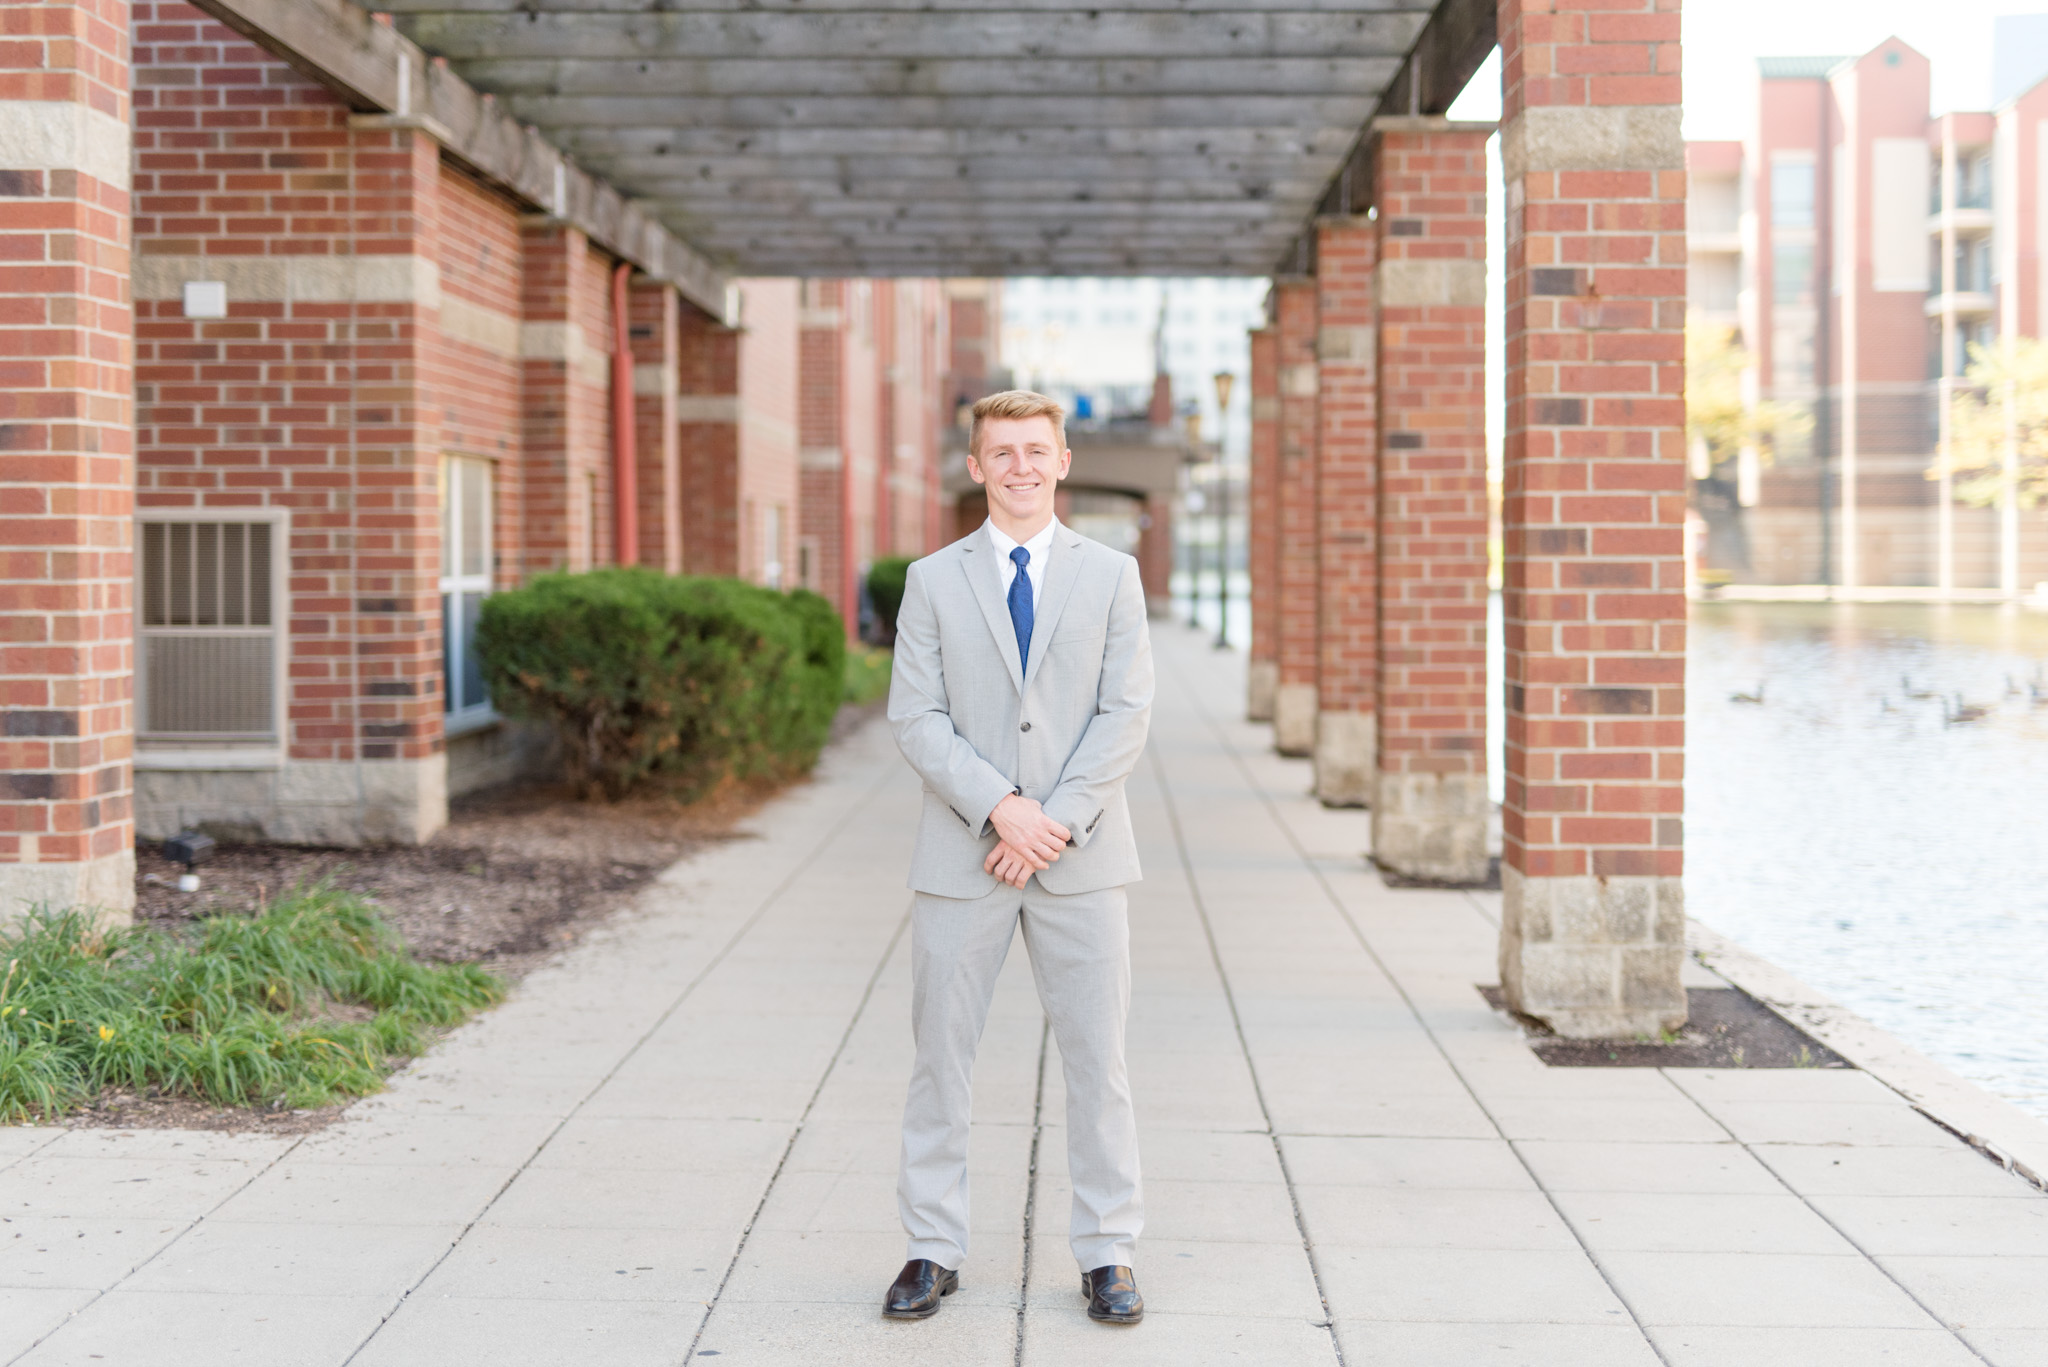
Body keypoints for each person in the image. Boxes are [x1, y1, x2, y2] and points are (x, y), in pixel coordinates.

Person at [883, 389, 1154, 1326]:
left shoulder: (1113, 574)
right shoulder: (932, 579)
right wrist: (1001, 809)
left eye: (1036, 450)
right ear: (975, 466)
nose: (1021, 467)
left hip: (1081, 859)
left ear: (1064, 461)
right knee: (941, 1061)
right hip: (964, 858)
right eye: (1002, 452)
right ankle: (931, 1246)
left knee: (1097, 1060)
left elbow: (1127, 713)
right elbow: (914, 715)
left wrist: (1053, 822)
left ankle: (1108, 1251)